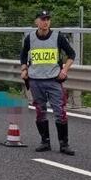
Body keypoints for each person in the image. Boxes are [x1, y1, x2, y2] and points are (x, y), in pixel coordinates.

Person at [20, 10, 76, 155]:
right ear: (36, 22)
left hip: (53, 81)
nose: (45, 22)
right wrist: (24, 69)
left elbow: (71, 54)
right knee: (40, 112)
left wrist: (65, 70)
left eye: (48, 19)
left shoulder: (58, 37)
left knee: (60, 112)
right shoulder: (30, 38)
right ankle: (45, 142)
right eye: (42, 19)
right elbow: (23, 55)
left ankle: (64, 144)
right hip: (35, 81)